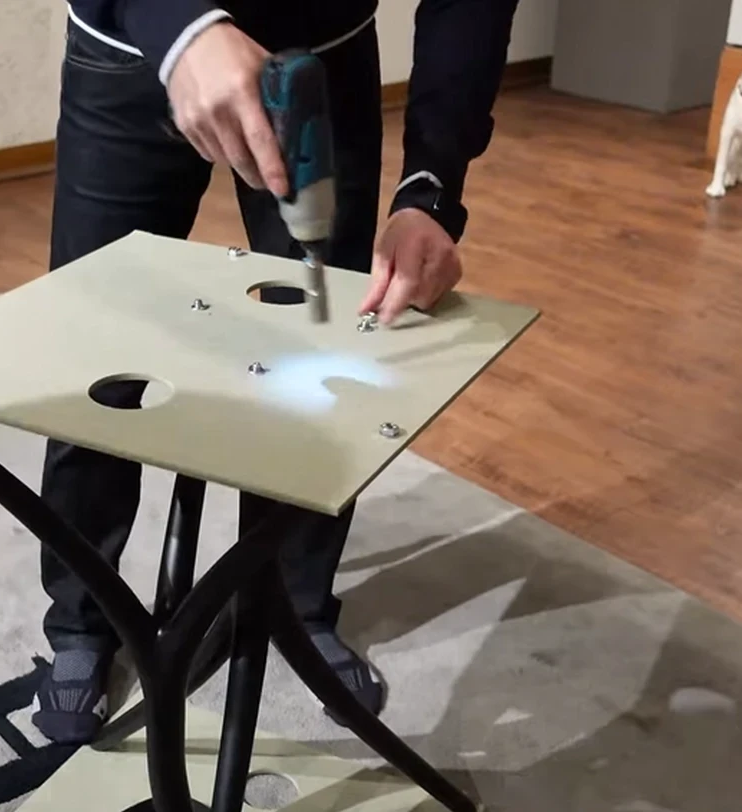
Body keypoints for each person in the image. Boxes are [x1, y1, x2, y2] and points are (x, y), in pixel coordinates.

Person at [32, 0, 521, 745]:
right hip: (131, 42)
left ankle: (295, 605)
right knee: (94, 357)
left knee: (318, 354)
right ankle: (81, 621)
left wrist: (431, 187)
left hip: (320, 48)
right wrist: (180, 27)